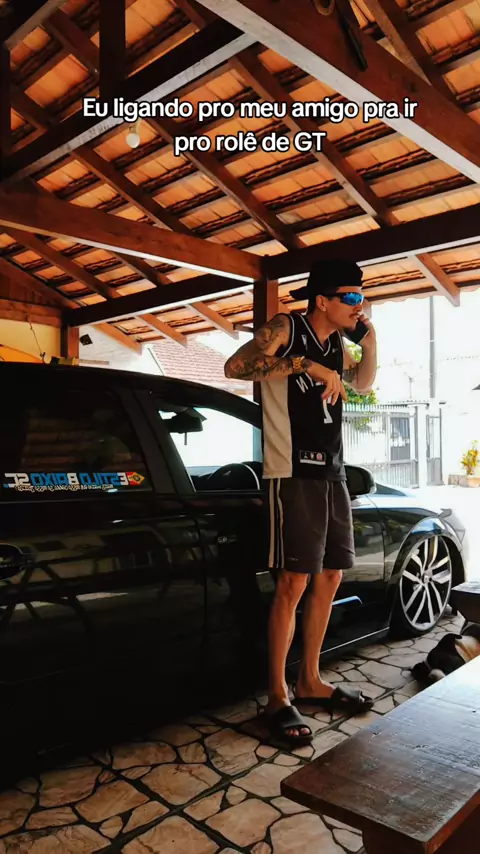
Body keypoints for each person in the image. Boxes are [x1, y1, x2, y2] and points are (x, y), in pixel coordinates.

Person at [224, 257, 378, 747]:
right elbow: (235, 367)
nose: (359, 305)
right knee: (293, 582)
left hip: (332, 472)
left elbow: (364, 383)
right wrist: (304, 363)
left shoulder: (338, 343)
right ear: (323, 301)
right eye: (351, 297)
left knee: (330, 576)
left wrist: (371, 339)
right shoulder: (287, 328)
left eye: (362, 297)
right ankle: (277, 695)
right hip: (291, 470)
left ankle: (310, 680)